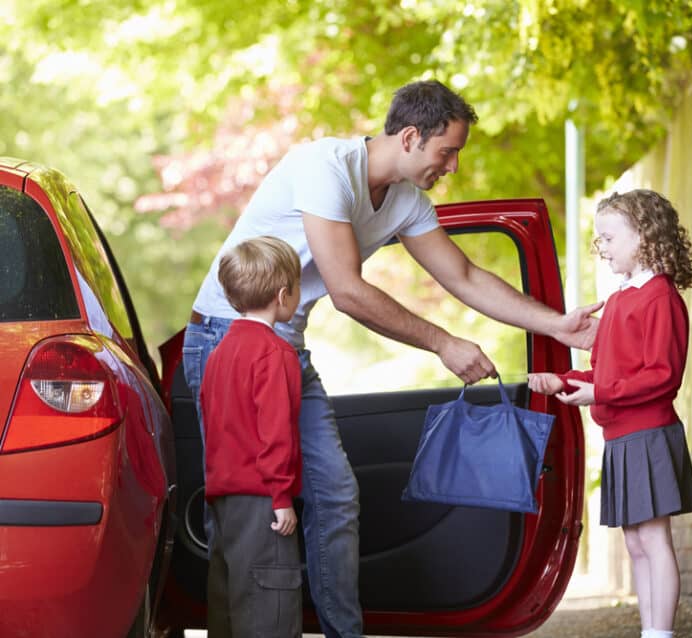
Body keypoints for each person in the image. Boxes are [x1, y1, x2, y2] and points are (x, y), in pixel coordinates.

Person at [184, 79, 602, 638]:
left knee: (335, 495)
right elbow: (347, 290)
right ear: (409, 137)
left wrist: (558, 324)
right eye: (447, 151)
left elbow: (465, 276)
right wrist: (443, 343)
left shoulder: (406, 202)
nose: (452, 166)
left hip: (286, 346)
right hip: (227, 340)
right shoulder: (324, 168)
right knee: (244, 509)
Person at [528, 189, 692, 638]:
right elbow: (606, 371)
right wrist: (563, 380)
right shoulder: (622, 298)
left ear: (643, 236)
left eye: (608, 238)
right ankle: (651, 629)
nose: (601, 248)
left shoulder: (659, 296)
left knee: (654, 539)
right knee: (635, 540)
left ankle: (659, 633)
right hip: (621, 437)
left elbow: (662, 376)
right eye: (599, 239)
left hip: (649, 433)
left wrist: (598, 390)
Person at [199, 236, 303, 638]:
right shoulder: (275, 354)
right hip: (263, 502)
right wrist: (281, 498)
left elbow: (215, 426)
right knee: (269, 610)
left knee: (229, 605)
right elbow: (275, 432)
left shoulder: (219, 355)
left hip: (223, 500)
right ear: (283, 296)